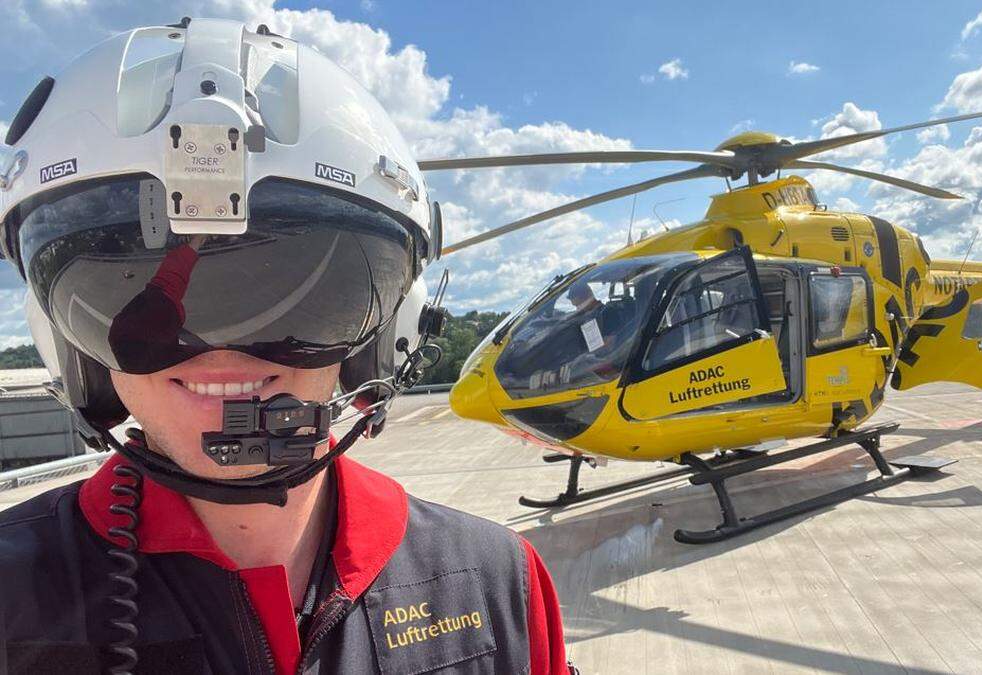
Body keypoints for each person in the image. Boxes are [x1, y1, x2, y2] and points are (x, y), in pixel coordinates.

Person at [0, 18, 572, 674]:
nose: (224, 356)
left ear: (386, 331)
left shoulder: (500, 584)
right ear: (66, 344)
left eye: (302, 300)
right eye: (125, 300)